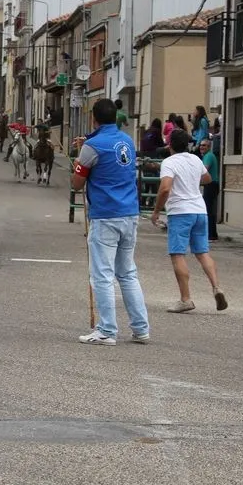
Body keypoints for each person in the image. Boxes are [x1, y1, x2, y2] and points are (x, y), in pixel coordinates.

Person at [71, 98, 150, 346]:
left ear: (93, 118)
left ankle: (106, 330)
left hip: (105, 214)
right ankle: (140, 328)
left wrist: (79, 160)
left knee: (102, 275)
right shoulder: (127, 140)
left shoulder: (91, 146)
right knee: (127, 273)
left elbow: (77, 183)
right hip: (130, 212)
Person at [151, 129, 227, 314]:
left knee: (178, 254)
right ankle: (217, 287)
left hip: (180, 212)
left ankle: (185, 299)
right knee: (202, 252)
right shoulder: (195, 159)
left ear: (170, 145)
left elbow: (165, 188)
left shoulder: (169, 162)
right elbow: (207, 178)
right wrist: (191, 179)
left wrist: (156, 211)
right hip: (199, 210)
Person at [199, 138, 220, 241]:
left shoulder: (208, 156)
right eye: (201, 145)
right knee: (209, 209)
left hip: (211, 185)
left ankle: (211, 235)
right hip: (211, 185)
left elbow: (204, 170)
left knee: (208, 210)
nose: (201, 147)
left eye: (204, 145)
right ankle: (212, 234)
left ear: (209, 147)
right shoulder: (207, 156)